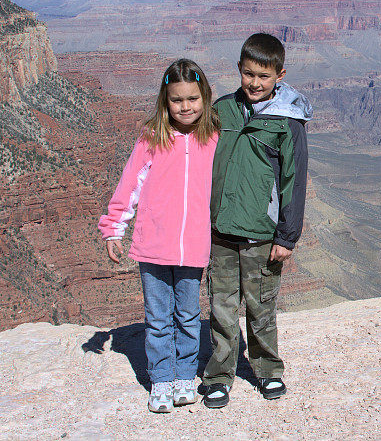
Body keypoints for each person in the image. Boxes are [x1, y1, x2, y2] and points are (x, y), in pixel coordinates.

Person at [98, 59, 219, 413]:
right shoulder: (153, 137)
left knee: (188, 314)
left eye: (192, 99)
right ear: (165, 101)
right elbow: (130, 184)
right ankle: (161, 380)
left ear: (205, 97)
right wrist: (114, 228)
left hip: (194, 246)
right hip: (153, 246)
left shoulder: (213, 137)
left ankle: (185, 376)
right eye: (177, 100)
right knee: (158, 317)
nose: (185, 107)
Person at [201, 33, 312, 408]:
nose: (255, 83)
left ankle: (268, 371)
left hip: (262, 235)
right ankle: (219, 376)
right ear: (239, 70)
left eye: (263, 76)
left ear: (279, 75)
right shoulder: (223, 111)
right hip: (221, 232)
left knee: (262, 307)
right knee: (221, 306)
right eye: (249, 74)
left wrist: (287, 236)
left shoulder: (287, 121)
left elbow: (294, 180)